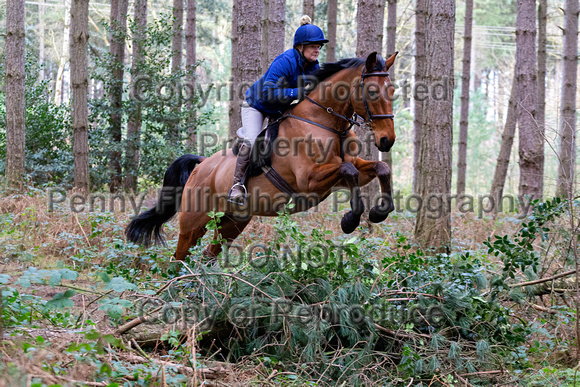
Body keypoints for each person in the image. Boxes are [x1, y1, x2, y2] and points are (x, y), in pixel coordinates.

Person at [227, 15, 328, 205]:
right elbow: (267, 92)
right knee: (251, 140)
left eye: (319, 46)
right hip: (257, 105)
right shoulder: (285, 61)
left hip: (279, 109)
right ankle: (237, 186)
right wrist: (298, 91)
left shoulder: (314, 67)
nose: (318, 49)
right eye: (314, 45)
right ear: (301, 46)